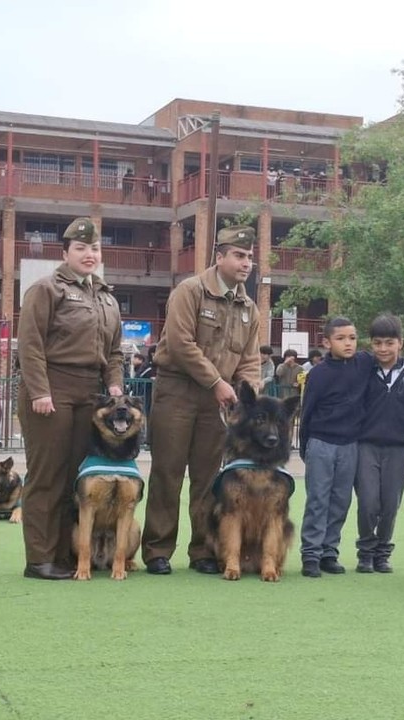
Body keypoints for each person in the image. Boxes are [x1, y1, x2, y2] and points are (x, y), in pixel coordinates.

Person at [141, 225, 261, 576]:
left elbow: (250, 359)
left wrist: (248, 394)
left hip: (218, 402)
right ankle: (157, 550)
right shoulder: (190, 290)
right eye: (239, 255)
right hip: (178, 391)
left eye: (249, 257)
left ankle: (203, 551)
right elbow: (180, 343)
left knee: (208, 478)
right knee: (167, 473)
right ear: (219, 257)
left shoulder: (249, 308)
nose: (246, 263)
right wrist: (216, 381)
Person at [17, 217, 124, 580]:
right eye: (81, 248)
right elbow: (30, 344)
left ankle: (65, 554)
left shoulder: (107, 298)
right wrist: (40, 391)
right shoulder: (46, 289)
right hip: (53, 388)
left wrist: (114, 385)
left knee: (77, 477)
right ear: (65, 253)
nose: (89, 254)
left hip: (90, 393)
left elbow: (115, 352)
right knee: (47, 475)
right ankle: (39, 559)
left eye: (94, 248)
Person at [298, 316, 374, 577]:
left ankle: (329, 552)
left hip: (350, 444)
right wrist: (306, 446)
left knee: (341, 500)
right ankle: (311, 554)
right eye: (340, 339)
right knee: (318, 499)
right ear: (327, 343)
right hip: (321, 442)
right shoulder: (318, 374)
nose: (348, 343)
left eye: (352, 338)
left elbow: (390, 358)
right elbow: (307, 411)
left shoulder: (364, 364)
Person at [354, 313, 404, 574]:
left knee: (390, 504)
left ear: (400, 343)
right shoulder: (363, 370)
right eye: (377, 343)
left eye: (389, 343)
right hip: (366, 445)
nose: (383, 349)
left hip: (398, 447)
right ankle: (365, 552)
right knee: (367, 502)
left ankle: (382, 552)